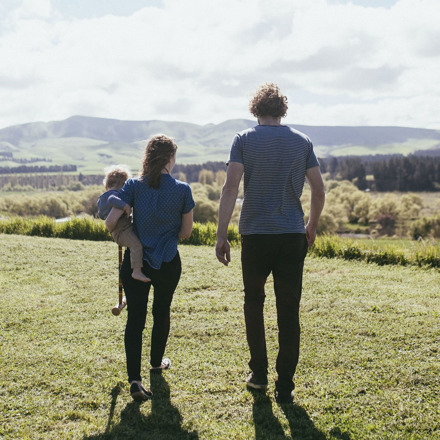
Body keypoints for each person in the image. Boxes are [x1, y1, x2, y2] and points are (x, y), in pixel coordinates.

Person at [215, 83, 325, 404]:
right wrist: (312, 225)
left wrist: (221, 234)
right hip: (292, 235)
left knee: (254, 303)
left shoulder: (243, 140)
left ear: (256, 109)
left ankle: (259, 374)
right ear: (282, 110)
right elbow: (319, 190)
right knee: (289, 310)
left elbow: (230, 188)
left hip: (255, 235)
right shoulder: (302, 141)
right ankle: (286, 386)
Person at [105, 134, 195, 401]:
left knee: (135, 320)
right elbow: (187, 232)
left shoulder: (133, 185)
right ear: (170, 158)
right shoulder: (183, 190)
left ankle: (134, 379)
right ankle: (156, 363)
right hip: (167, 261)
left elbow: (111, 222)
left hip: (136, 262)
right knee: (161, 311)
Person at [98, 165, 150, 283]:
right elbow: (112, 198)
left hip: (120, 230)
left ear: (106, 186)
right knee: (136, 245)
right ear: (124, 186)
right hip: (121, 231)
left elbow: (101, 215)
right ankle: (137, 271)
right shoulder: (115, 195)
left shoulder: (102, 198)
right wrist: (124, 205)